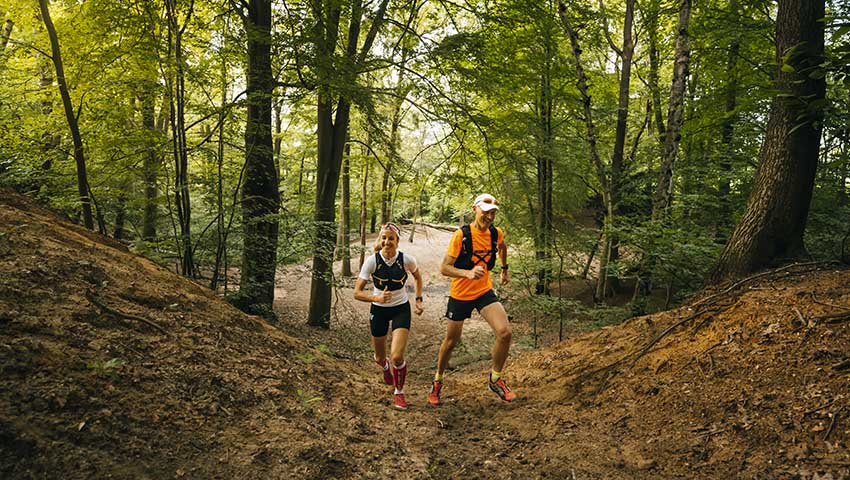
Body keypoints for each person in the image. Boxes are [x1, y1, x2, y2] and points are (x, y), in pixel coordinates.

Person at [429, 193, 515, 405]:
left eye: (493, 212)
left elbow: (502, 247)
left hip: (483, 291)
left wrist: (504, 269)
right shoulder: (461, 236)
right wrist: (467, 273)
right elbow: (444, 268)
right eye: (485, 212)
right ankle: (438, 380)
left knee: (505, 333)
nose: (489, 216)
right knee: (451, 342)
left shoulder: (496, 234)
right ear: (475, 209)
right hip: (460, 294)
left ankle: (496, 379)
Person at [354, 222, 424, 410]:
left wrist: (418, 299)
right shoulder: (372, 261)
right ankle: (385, 368)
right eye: (384, 238)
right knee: (379, 357)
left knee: (397, 357)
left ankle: (399, 393)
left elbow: (418, 277)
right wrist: (377, 297)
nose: (387, 241)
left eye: (391, 238)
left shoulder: (407, 260)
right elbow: (357, 293)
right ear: (380, 240)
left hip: (401, 308)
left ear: (397, 241)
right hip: (379, 310)